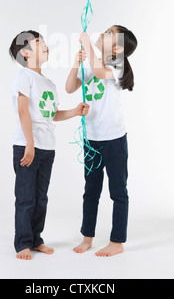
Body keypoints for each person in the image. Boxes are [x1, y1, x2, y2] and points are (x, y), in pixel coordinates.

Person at [9, 30, 89, 260]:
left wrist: (74, 112)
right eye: (38, 42)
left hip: (47, 148)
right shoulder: (24, 76)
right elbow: (23, 110)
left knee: (41, 198)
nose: (45, 44)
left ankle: (36, 239)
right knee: (26, 197)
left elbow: (51, 114)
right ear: (25, 53)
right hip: (27, 146)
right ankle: (22, 243)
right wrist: (30, 144)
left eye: (44, 41)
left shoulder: (49, 83)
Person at [65, 25, 137, 257]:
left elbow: (99, 72)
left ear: (116, 48)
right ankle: (87, 237)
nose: (102, 34)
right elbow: (69, 88)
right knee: (91, 190)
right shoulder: (90, 63)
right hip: (92, 138)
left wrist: (87, 46)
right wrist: (77, 61)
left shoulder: (118, 63)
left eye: (108, 34)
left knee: (118, 191)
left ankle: (117, 241)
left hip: (114, 138)